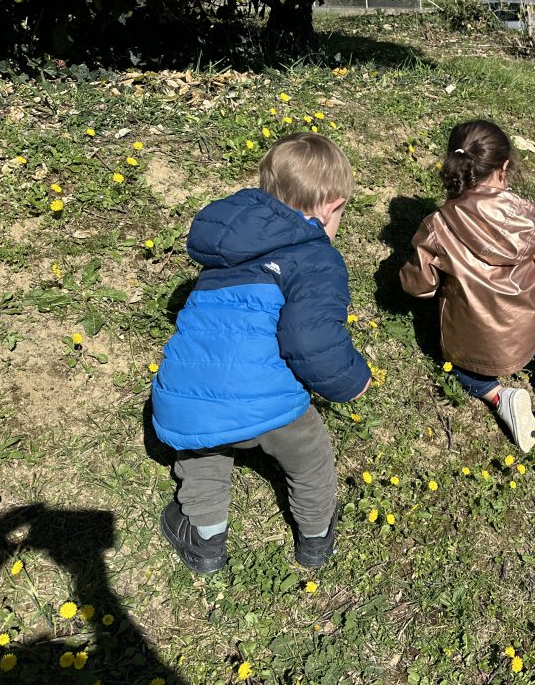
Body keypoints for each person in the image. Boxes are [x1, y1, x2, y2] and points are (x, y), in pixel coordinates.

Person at [152, 133, 371, 574]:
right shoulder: (315, 257)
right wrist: (352, 381)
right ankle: (315, 537)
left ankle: (205, 540)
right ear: (332, 206)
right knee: (309, 455)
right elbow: (310, 341)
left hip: (189, 400)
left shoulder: (226, 254)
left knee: (204, 455)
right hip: (270, 402)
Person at [401, 119, 535, 452]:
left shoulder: (438, 225)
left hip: (473, 334)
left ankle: (499, 396)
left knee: (456, 364)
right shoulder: (526, 218)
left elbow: (420, 286)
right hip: (526, 319)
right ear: (504, 167)